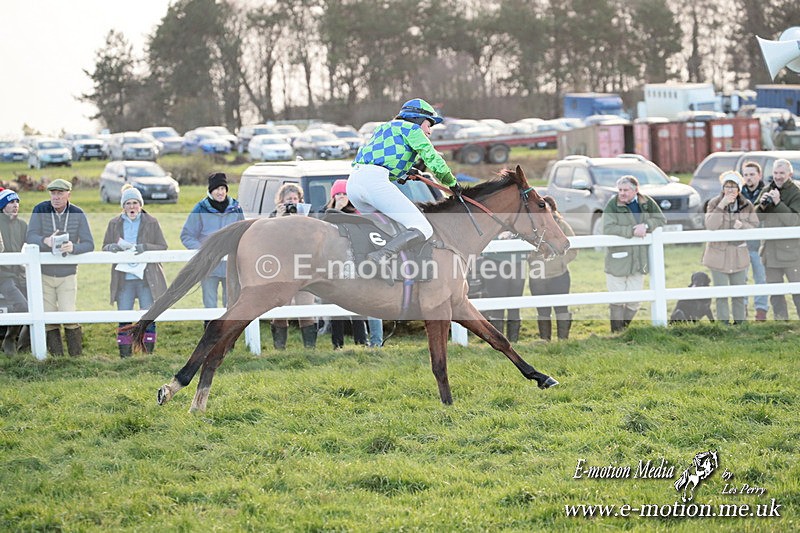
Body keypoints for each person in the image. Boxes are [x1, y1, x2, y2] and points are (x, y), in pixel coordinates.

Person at [347, 98, 461, 263]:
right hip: (374, 182)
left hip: (353, 183)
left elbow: (383, 157)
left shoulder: (384, 127)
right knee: (423, 228)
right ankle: (380, 258)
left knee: (389, 228)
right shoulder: (412, 129)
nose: (429, 132)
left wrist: (404, 172)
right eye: (428, 125)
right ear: (417, 119)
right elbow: (432, 158)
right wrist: (451, 183)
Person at [26, 178, 94, 356]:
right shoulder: (40, 209)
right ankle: (57, 358)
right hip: (44, 273)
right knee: (48, 317)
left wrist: (73, 247)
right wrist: (45, 240)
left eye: (60, 193)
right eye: (53, 193)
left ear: (68, 194)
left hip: (67, 273)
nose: (56, 197)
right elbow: (30, 236)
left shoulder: (78, 213)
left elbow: (89, 244)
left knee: (69, 315)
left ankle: (76, 357)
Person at [102, 185, 168, 357]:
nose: (132, 206)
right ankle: (125, 356)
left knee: (148, 317)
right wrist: (111, 247)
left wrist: (145, 247)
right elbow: (105, 246)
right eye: (128, 203)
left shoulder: (151, 222)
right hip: (124, 279)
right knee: (124, 318)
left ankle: (147, 354)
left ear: (140, 205)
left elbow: (162, 246)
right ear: (123, 206)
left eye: (135, 203)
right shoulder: (114, 223)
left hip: (146, 279)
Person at [602, 175, 667, 332]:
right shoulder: (612, 205)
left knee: (635, 301)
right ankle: (616, 333)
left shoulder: (646, 202)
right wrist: (631, 231)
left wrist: (646, 226)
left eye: (625, 190)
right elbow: (608, 228)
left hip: (639, 259)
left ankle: (623, 330)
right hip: (618, 259)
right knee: (617, 299)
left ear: (635, 190)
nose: (622, 193)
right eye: (620, 190)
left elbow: (661, 219)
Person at [180, 172, 244, 318]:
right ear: (210, 191)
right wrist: (204, 251)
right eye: (216, 189)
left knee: (231, 303)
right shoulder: (200, 209)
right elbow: (186, 235)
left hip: (230, 266)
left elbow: (243, 233)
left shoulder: (236, 208)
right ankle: (209, 328)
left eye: (223, 189)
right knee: (210, 303)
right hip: (208, 268)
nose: (220, 192)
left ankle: (227, 330)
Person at [701, 171, 759, 325]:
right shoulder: (713, 203)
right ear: (723, 188)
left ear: (739, 189)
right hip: (718, 254)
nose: (730, 190)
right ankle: (723, 324)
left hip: (739, 254)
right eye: (727, 186)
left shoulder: (747, 205)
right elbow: (711, 225)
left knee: (739, 293)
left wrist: (742, 225)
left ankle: (740, 324)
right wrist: (722, 205)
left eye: (733, 187)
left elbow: (754, 226)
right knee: (721, 293)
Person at [320, 180, 369, 349]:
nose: (341, 197)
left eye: (344, 194)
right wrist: (337, 210)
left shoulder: (356, 214)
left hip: (353, 262)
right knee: (335, 303)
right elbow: (325, 229)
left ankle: (361, 341)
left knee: (357, 304)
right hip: (333, 264)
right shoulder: (326, 213)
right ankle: (337, 343)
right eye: (338, 194)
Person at [268, 183, 317, 349]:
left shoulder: (308, 214)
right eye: (289, 199)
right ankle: (279, 349)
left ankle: (310, 349)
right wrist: (279, 217)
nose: (293, 202)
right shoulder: (274, 216)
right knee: (280, 310)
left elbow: (314, 238)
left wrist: (303, 219)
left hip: (305, 269)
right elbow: (270, 239)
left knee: (306, 309)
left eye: (295, 199)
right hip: (282, 271)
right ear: (281, 201)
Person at [755, 159, 800, 320]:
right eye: (775, 173)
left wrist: (778, 203)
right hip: (769, 252)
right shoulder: (766, 190)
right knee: (775, 293)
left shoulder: (796, 192)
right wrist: (762, 206)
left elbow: (794, 221)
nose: (778, 176)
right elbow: (754, 218)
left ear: (790, 174)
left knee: (797, 292)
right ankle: (781, 322)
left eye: (782, 173)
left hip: (792, 253)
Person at [529, 196, 578, 341]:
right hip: (538, 277)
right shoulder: (532, 227)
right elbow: (527, 251)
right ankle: (545, 341)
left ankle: (563, 340)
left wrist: (561, 262)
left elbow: (573, 248)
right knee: (542, 310)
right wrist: (534, 262)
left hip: (559, 275)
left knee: (561, 309)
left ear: (552, 209)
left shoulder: (562, 225)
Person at [479, 231, 529, 342]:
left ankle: (514, 342)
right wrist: (498, 237)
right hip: (494, 262)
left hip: (517, 262)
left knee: (515, 306)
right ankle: (498, 342)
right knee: (497, 306)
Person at [0, 189, 29, 355]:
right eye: (11, 202)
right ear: (3, 206)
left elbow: (33, 242)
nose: (15, 205)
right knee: (22, 306)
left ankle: (24, 347)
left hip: (19, 274)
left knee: (37, 305)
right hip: (3, 276)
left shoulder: (22, 225)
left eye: (17, 202)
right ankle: (10, 338)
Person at [740, 161, 769, 320]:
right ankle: (742, 311)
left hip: (760, 245)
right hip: (742, 244)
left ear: (759, 175)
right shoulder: (737, 194)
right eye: (746, 175)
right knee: (741, 279)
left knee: (761, 278)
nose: (749, 178)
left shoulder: (767, 193)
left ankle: (761, 312)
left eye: (752, 174)